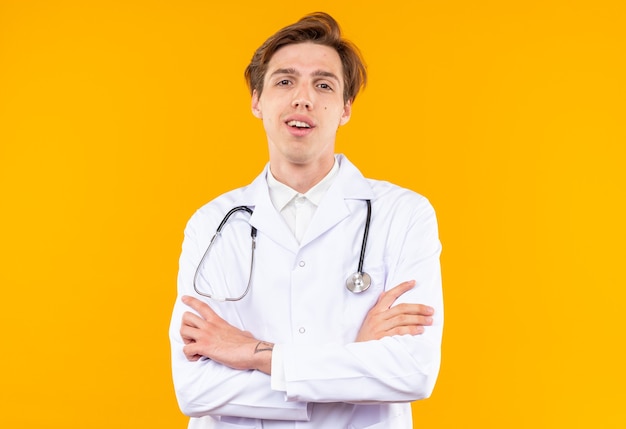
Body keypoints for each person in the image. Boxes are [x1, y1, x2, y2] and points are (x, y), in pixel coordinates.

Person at [169, 11, 443, 429]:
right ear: (257, 101)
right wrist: (353, 363)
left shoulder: (404, 215)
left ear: (346, 108)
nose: (303, 98)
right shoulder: (211, 224)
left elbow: (412, 371)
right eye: (284, 81)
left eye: (323, 84)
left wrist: (251, 352)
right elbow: (196, 389)